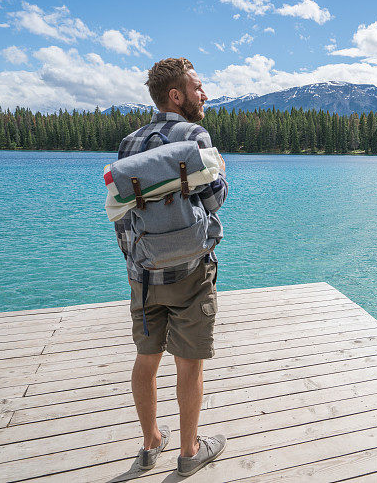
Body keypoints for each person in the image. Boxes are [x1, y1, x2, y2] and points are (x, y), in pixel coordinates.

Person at [113, 57, 228, 477]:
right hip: (191, 274)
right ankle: (189, 451)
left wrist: (137, 264)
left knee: (146, 359)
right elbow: (215, 199)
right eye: (198, 87)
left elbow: (123, 215)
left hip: (143, 276)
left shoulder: (128, 144)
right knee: (189, 363)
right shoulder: (194, 135)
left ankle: (149, 445)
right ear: (176, 96)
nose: (205, 94)